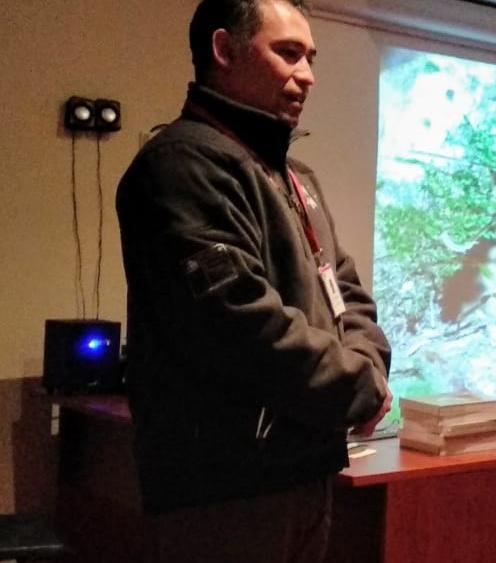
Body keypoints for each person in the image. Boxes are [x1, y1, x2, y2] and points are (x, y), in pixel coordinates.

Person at [115, 0, 391, 561]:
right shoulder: (181, 165)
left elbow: (349, 295)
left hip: (303, 464)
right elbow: (240, 324)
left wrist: (368, 368)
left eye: (310, 57)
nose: (307, 74)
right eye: (287, 53)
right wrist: (358, 389)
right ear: (223, 50)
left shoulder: (295, 175)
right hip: (224, 486)